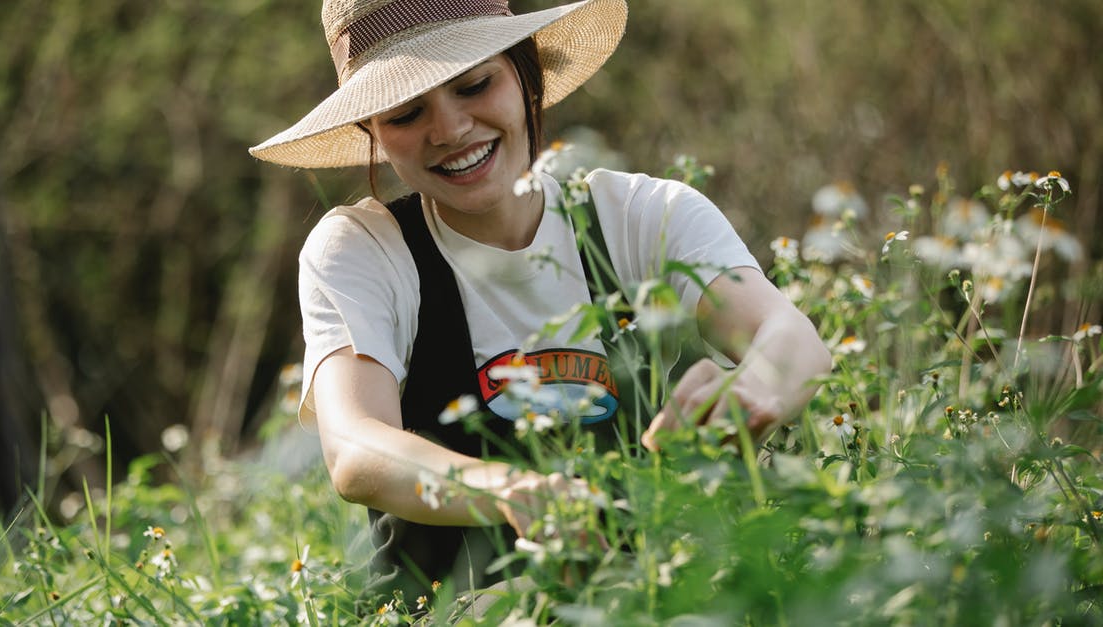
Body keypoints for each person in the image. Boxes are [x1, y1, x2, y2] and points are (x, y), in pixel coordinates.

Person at [249, 0, 831, 603]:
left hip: (674, 592)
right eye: (405, 112)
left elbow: (792, 338)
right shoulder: (365, 250)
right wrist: (505, 490)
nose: (449, 131)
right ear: (371, 130)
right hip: (467, 605)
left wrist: (753, 388)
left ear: (526, 73)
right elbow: (354, 446)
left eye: (474, 84)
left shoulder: (641, 217)